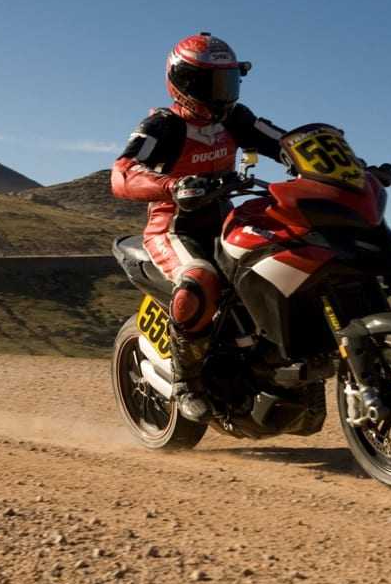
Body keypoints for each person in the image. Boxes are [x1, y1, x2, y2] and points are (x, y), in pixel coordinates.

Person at [110, 33, 287, 422]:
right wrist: (172, 185)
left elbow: (285, 141)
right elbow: (122, 174)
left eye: (227, 82)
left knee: (282, 257)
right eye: (210, 83)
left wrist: (340, 163)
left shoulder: (236, 119)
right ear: (183, 82)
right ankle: (186, 382)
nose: (221, 93)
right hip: (174, 226)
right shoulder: (164, 125)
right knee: (199, 279)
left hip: (225, 220)